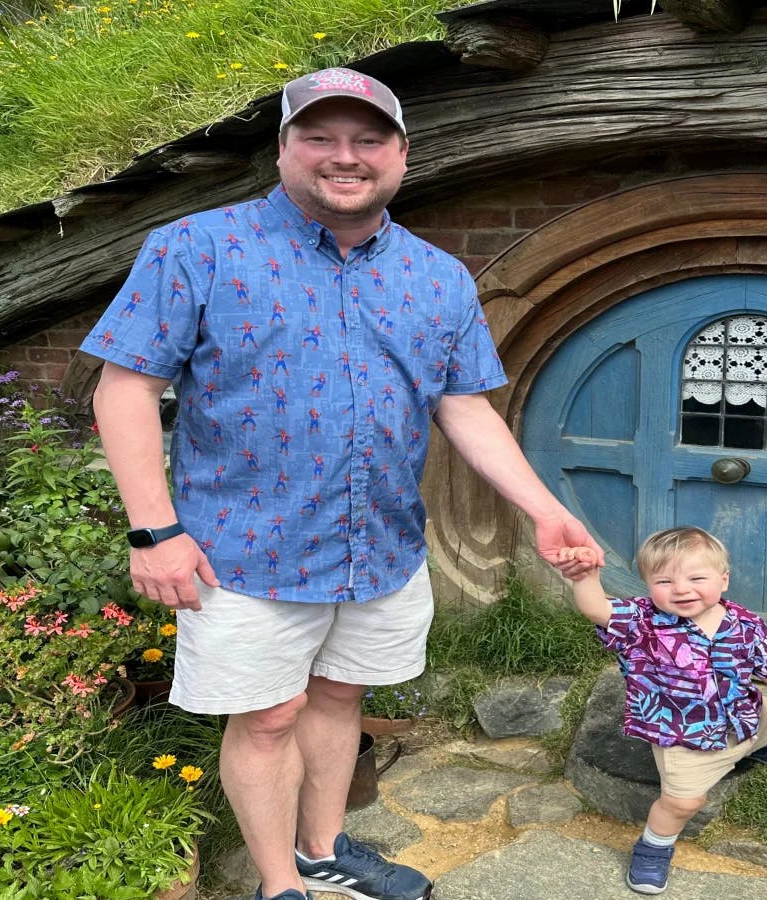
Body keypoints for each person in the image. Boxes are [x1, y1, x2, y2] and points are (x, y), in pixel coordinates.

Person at [80, 67, 602, 900]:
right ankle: (279, 883)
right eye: (319, 137)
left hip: (380, 547)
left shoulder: (437, 278)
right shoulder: (197, 247)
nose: (344, 157)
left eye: (368, 139)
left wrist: (543, 510)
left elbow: (462, 405)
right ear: (283, 149)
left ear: (401, 154)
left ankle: (323, 849)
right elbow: (127, 387)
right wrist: (154, 530)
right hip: (242, 551)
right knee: (269, 718)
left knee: (338, 699)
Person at [560, 527, 767, 895]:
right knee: (683, 801)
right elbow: (597, 609)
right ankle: (653, 847)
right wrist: (586, 578)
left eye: (697, 578)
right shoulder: (643, 623)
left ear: (723, 580)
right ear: (647, 584)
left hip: (744, 715)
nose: (681, 588)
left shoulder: (744, 622)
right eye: (664, 580)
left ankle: (754, 748)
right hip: (684, 735)